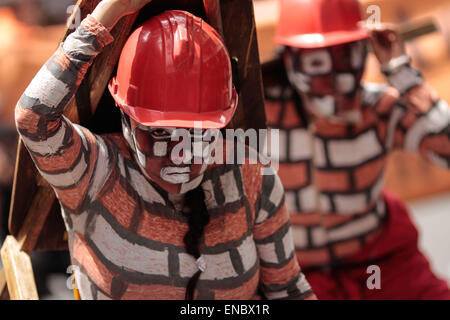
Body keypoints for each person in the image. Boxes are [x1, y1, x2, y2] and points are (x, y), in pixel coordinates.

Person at [15, 0, 315, 300]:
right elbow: (34, 119)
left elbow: (287, 290)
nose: (181, 154)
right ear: (125, 118)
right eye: (159, 132)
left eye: (197, 133)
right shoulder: (95, 172)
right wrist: (106, 16)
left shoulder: (251, 175)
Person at [263, 0, 450, 299]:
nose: (336, 78)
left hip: (383, 263)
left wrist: (404, 75)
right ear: (289, 59)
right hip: (297, 275)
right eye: (317, 62)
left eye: (345, 55)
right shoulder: (263, 116)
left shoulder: (379, 110)